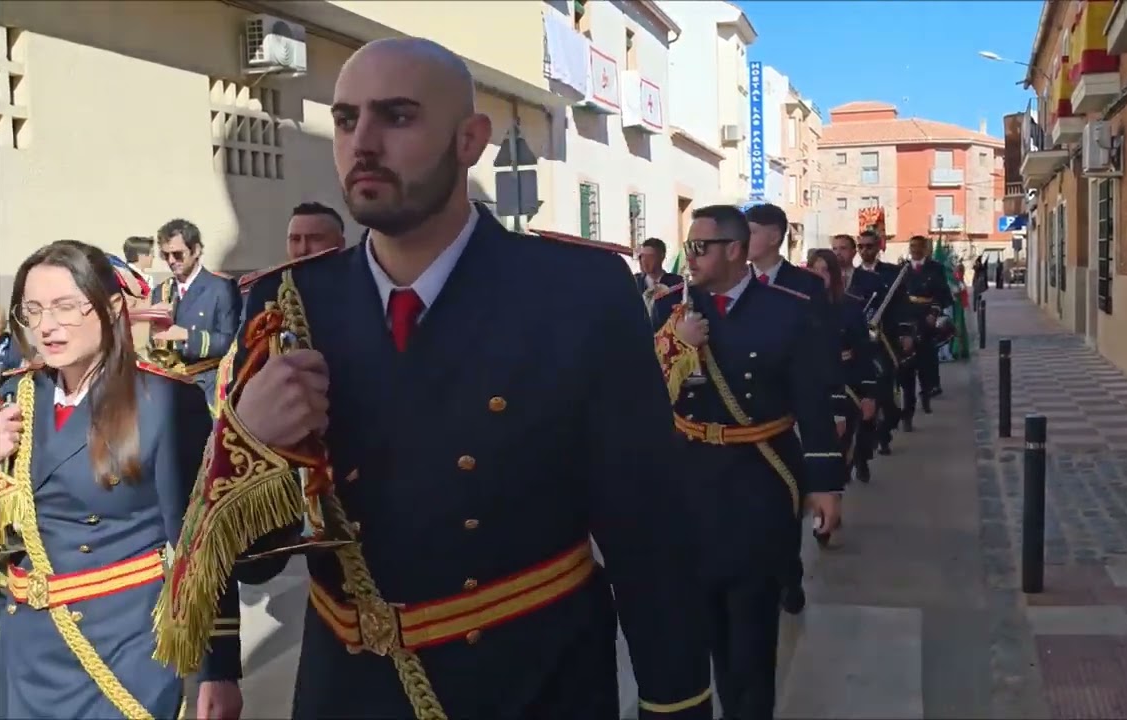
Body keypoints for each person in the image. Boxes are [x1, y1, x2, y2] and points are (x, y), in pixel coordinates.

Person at [153, 37, 712, 720]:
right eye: (346, 119)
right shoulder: (290, 301)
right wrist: (256, 444)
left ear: (469, 140)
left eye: (397, 116)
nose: (362, 143)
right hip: (345, 690)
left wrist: (674, 701)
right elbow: (258, 563)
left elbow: (646, 527)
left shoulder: (577, 291)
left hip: (531, 682)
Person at [0, 240, 242, 720]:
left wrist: (218, 669)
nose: (47, 326)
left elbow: (201, 544)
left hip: (119, 649)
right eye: (33, 310)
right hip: (24, 650)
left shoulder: (163, 401)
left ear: (111, 309)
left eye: (65, 307)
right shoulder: (14, 395)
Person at [651, 204, 843, 719]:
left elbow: (812, 401)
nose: (689, 257)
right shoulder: (669, 308)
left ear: (734, 250)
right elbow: (643, 396)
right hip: (690, 478)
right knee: (706, 621)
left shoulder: (786, 309)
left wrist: (826, 484)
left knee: (752, 627)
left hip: (760, 477)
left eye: (700, 247)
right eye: (688, 246)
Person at [744, 202, 841, 615]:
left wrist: (833, 405)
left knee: (785, 504)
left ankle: (789, 574)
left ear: (773, 236)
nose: (742, 240)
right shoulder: (735, 282)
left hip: (788, 414)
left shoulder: (805, 286)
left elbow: (821, 354)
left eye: (751, 231)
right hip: (745, 414)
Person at [148, 219, 241, 408]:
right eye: (165, 255)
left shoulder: (221, 289)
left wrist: (187, 336)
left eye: (178, 254)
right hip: (169, 388)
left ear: (196, 250)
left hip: (206, 386)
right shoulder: (161, 291)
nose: (171, 261)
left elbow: (231, 342)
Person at [810, 249, 878, 484]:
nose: (819, 275)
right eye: (815, 270)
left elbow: (864, 352)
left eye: (825, 270)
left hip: (845, 385)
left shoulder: (849, 307)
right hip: (811, 387)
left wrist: (868, 394)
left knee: (840, 447)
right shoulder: (798, 306)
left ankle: (837, 486)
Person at [850, 230, 907, 446]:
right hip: (861, 342)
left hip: (886, 340)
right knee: (869, 391)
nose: (864, 250)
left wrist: (905, 332)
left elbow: (902, 306)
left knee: (886, 390)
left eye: (869, 246)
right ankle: (874, 435)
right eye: (861, 246)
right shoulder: (852, 277)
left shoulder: (892, 274)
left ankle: (888, 423)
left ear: (878, 247)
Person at [901, 235, 953, 413]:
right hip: (907, 318)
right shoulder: (903, 269)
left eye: (918, 246)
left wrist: (934, 311)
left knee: (925, 362)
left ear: (925, 249)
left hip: (926, 317)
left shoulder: (935, 268)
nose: (915, 250)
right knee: (906, 363)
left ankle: (926, 393)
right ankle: (908, 406)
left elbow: (943, 294)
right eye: (912, 246)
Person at [635, 238, 683, 319]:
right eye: (642, 256)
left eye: (650, 257)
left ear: (662, 257)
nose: (645, 261)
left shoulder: (677, 284)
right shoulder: (634, 283)